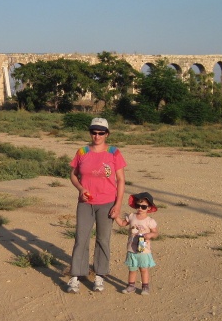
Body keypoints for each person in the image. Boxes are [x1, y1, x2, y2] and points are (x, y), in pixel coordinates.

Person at [66, 117, 126, 293]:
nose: (97, 136)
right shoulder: (82, 152)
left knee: (103, 239)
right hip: (85, 203)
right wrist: (80, 188)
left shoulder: (114, 153)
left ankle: (100, 275)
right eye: (94, 132)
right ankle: (76, 275)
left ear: (107, 134)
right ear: (90, 133)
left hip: (107, 202)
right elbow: (73, 175)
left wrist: (118, 205)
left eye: (101, 133)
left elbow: (121, 180)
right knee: (81, 238)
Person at [118, 191, 159, 296]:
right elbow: (122, 223)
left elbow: (155, 232)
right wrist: (115, 216)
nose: (140, 208)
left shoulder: (150, 221)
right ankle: (131, 286)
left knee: (143, 269)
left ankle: (145, 287)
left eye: (144, 206)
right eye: (138, 205)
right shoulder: (132, 216)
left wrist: (150, 235)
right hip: (132, 248)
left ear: (149, 208)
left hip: (144, 249)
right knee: (132, 268)